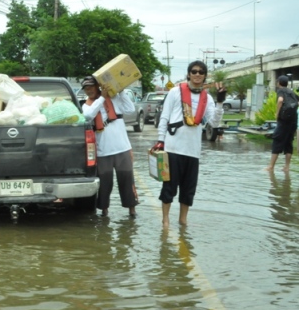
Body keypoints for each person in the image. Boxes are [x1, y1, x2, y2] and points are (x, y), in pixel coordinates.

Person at [150, 61, 225, 227]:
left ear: (205, 75)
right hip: (173, 148)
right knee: (169, 187)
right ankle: (165, 220)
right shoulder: (175, 92)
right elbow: (164, 117)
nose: (197, 74)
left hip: (193, 151)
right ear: (189, 74)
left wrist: (220, 102)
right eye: (194, 71)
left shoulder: (208, 98)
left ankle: (183, 220)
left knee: (188, 189)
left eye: (201, 72)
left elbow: (213, 122)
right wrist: (161, 141)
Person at [81, 75, 138, 218]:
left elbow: (130, 109)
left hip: (122, 148)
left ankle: (131, 210)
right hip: (103, 151)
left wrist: (121, 91)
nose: (88, 90)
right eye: (86, 88)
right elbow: (88, 116)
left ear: (97, 86)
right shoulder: (87, 105)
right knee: (105, 183)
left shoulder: (114, 98)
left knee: (127, 180)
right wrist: (101, 99)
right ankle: (104, 211)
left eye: (91, 87)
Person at [266, 75, 298, 172]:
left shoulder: (281, 90)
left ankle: (271, 167)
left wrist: (277, 113)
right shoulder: (291, 91)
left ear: (279, 82)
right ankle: (286, 167)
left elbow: (280, 100)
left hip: (284, 120)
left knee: (277, 140)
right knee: (289, 142)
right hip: (293, 120)